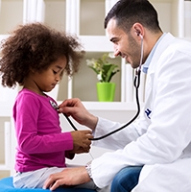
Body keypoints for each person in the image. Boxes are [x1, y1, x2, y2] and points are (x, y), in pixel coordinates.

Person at [43, 0, 191, 191]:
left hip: (181, 167)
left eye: (116, 41)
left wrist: (90, 170)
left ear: (138, 32)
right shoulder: (160, 63)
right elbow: (143, 134)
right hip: (174, 159)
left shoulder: (178, 59)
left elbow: (163, 143)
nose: (115, 52)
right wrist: (92, 122)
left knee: (123, 178)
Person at [0, 23, 94, 189]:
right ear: (34, 65)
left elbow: (46, 142)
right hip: (30, 174)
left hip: (46, 169)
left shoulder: (45, 99)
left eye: (61, 73)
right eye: (55, 71)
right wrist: (69, 138)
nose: (58, 78)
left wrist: (70, 148)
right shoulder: (27, 99)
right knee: (95, 180)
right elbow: (27, 143)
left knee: (97, 174)